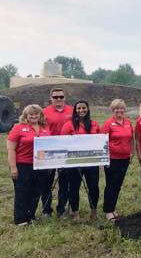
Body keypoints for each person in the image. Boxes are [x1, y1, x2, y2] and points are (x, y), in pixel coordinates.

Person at [6, 105, 51, 225]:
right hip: (23, 165)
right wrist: (13, 167)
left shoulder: (45, 128)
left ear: (40, 115)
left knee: (36, 191)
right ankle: (21, 219)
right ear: (26, 115)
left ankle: (30, 215)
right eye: (31, 114)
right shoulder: (18, 128)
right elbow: (11, 149)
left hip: (40, 165)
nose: (34, 116)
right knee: (22, 192)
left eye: (36, 114)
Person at [60, 100, 101, 221]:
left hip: (92, 161)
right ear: (75, 110)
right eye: (78, 108)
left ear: (87, 109)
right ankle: (75, 212)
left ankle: (94, 211)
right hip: (74, 162)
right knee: (74, 187)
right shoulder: (68, 125)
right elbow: (63, 143)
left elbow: (100, 141)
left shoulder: (94, 124)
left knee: (93, 187)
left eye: (83, 108)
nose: (81, 110)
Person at [101, 99, 134, 222]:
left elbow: (131, 139)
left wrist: (132, 153)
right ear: (112, 110)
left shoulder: (128, 123)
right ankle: (108, 211)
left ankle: (113, 207)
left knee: (118, 185)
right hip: (112, 159)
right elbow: (102, 141)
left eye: (121, 108)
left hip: (125, 158)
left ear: (124, 109)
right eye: (116, 108)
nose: (119, 110)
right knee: (111, 185)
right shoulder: (108, 123)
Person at [42, 87, 73, 217]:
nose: (58, 99)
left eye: (61, 97)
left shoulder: (72, 110)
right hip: (49, 151)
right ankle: (46, 209)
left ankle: (61, 208)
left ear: (65, 98)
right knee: (46, 182)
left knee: (64, 182)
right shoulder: (44, 112)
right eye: (55, 97)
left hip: (67, 151)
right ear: (51, 98)